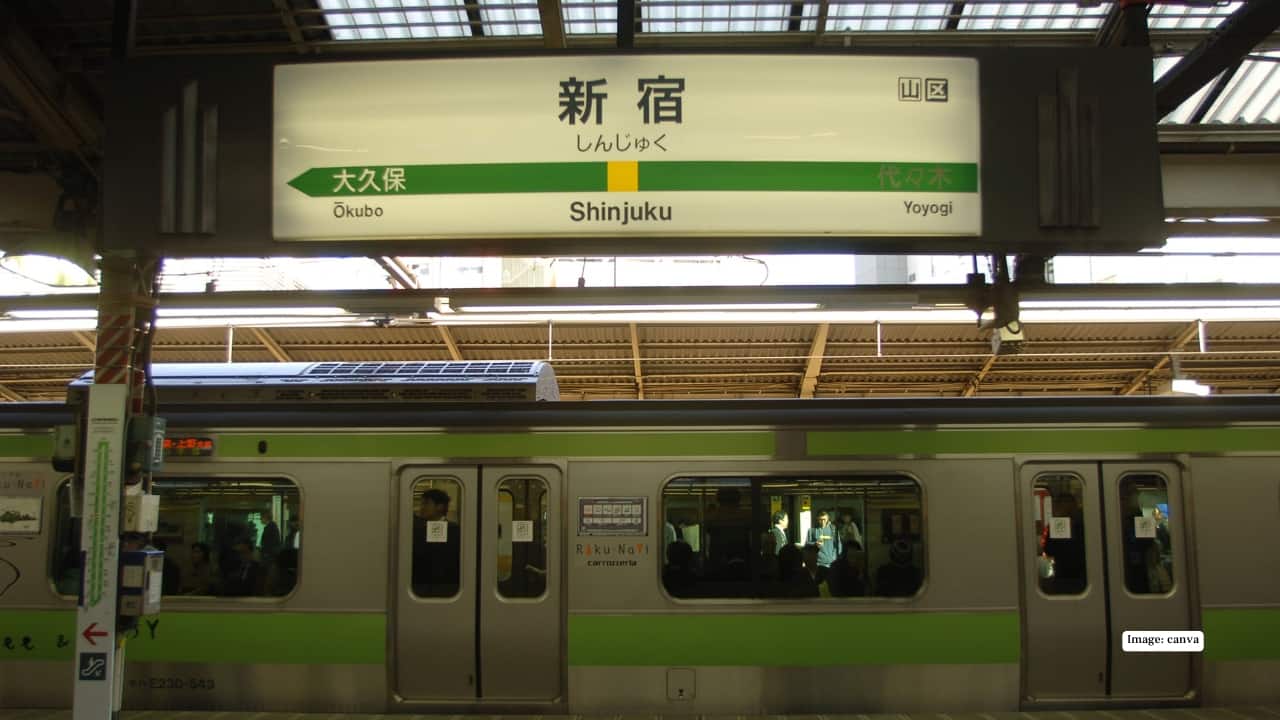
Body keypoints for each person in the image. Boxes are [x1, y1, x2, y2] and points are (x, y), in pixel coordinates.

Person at [412, 488, 461, 597]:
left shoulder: (455, 531)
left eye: (426, 503)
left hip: (446, 588)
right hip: (417, 588)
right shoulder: (415, 528)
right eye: (422, 504)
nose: (422, 507)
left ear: (440, 506)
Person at [806, 511, 839, 582]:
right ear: (817, 519)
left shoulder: (833, 530)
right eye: (820, 520)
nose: (823, 522)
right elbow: (807, 545)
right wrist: (815, 544)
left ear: (828, 519)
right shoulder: (812, 530)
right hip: (818, 564)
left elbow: (838, 546)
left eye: (824, 519)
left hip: (830, 563)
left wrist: (834, 558)